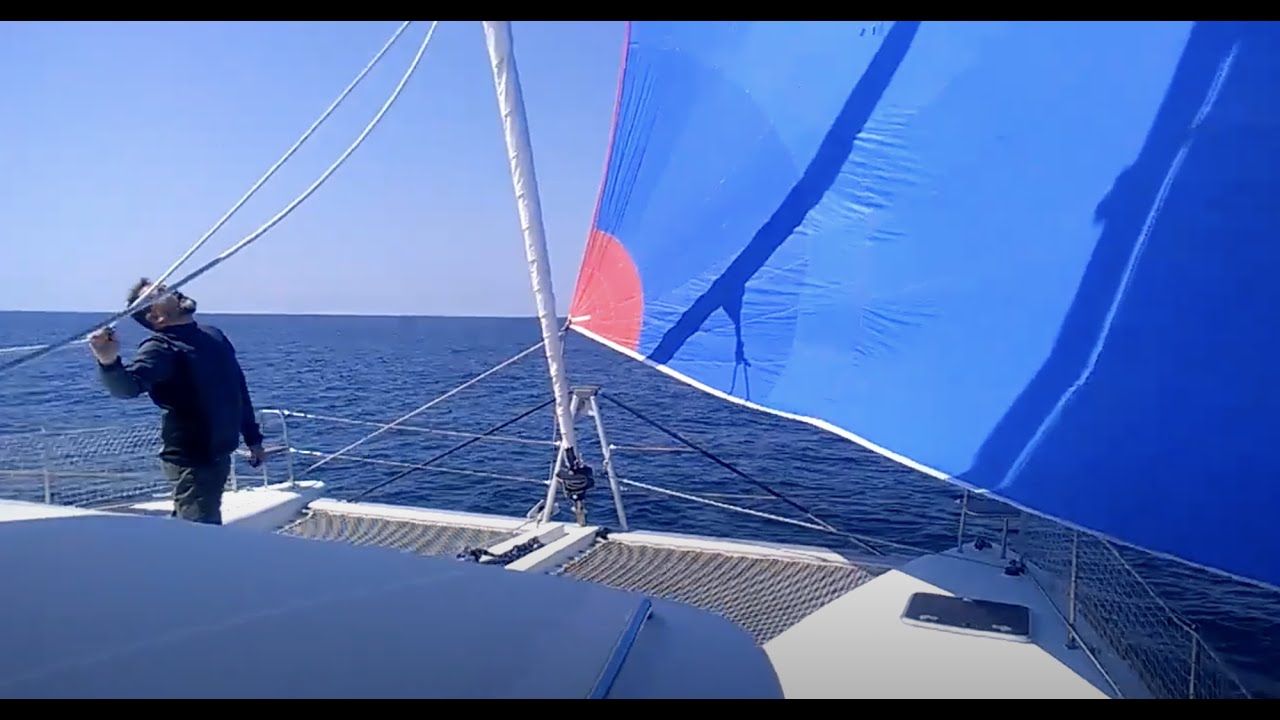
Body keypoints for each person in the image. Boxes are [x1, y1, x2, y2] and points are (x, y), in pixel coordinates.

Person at [87, 278, 267, 525]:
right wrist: (108, 362)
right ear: (156, 317)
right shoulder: (160, 348)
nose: (174, 290)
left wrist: (253, 438)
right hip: (192, 461)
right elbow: (127, 388)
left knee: (191, 522)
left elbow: (237, 389)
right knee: (200, 534)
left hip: (218, 454)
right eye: (160, 293)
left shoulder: (213, 335)